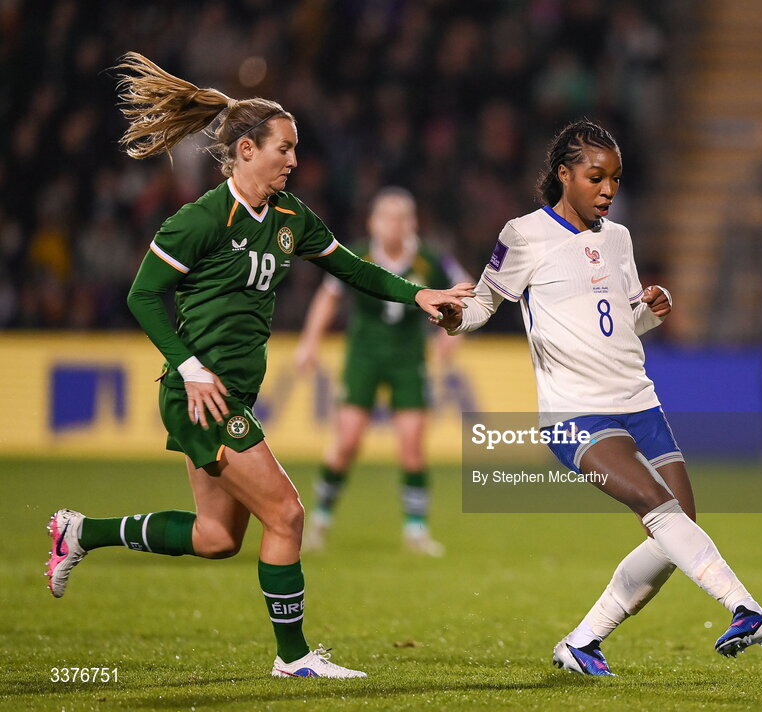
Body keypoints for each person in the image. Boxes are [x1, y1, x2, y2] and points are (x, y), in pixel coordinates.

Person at [45, 52, 472, 679]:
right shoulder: (200, 220)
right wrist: (188, 367)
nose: (294, 160)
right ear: (246, 150)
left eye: (295, 150)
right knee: (288, 514)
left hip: (233, 392)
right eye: (284, 148)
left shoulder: (291, 218)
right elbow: (142, 294)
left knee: (216, 539)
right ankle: (294, 658)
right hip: (203, 395)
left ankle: (78, 532)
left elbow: (350, 267)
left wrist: (420, 294)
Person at [436, 119, 762, 675]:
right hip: (575, 413)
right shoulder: (523, 235)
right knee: (662, 510)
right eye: (596, 177)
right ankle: (745, 607)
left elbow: (619, 322)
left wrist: (650, 310)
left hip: (639, 401)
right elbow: (481, 306)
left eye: (615, 179)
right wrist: (455, 316)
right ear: (564, 175)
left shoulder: (618, 239)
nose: (608, 189)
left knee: (679, 524)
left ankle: (583, 641)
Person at [295, 187, 469, 555]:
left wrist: (456, 331)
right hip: (364, 356)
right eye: (387, 217)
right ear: (373, 222)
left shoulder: (429, 259)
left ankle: (416, 530)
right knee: (346, 444)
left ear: (413, 222)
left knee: (411, 448)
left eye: (402, 217)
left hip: (409, 359)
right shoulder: (357, 255)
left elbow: (465, 291)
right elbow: (329, 296)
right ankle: (320, 520)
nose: (395, 224)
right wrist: (309, 340)